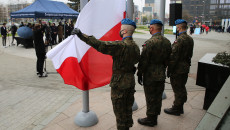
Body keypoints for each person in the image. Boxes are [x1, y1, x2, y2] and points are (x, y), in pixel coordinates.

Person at [72, 18, 140, 130]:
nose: (120, 31)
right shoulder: (135, 47)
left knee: (119, 111)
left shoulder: (121, 46)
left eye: (121, 29)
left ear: (124, 31)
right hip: (130, 81)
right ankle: (127, 127)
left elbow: (100, 45)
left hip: (119, 83)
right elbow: (136, 61)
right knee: (127, 108)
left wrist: (81, 35)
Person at [137, 19, 171, 127]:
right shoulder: (167, 42)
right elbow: (168, 59)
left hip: (150, 75)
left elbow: (144, 61)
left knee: (150, 97)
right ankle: (154, 117)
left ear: (152, 28)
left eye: (149, 28)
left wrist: (139, 73)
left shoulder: (150, 43)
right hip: (161, 74)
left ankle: (150, 119)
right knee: (157, 97)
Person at [164, 19, 194, 116]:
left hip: (178, 68)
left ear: (179, 27)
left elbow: (174, 57)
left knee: (178, 88)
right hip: (185, 67)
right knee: (181, 86)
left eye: (177, 27)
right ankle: (180, 107)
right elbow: (190, 54)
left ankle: (176, 108)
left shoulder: (180, 40)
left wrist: (169, 69)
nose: (176, 29)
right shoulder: (190, 39)